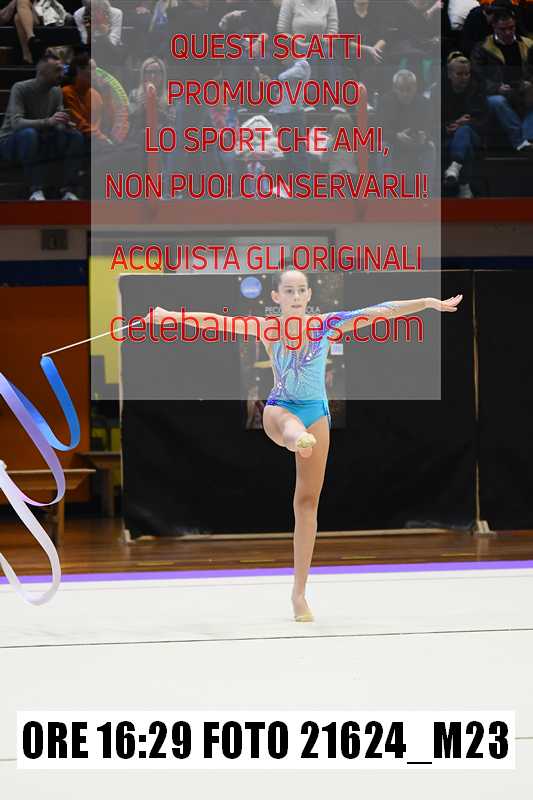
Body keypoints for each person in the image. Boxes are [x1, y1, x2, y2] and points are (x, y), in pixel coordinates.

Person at [145, 269, 463, 622]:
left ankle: (299, 593)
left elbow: (380, 311)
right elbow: (216, 323)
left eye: (301, 290)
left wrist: (427, 302)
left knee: (307, 503)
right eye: (288, 290)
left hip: (315, 415)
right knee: (291, 428)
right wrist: (169, 316)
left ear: (309, 295)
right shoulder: (268, 328)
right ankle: (297, 438)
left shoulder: (327, 325)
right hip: (280, 411)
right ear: (276, 297)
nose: (295, 296)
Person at [0, 52, 84, 200]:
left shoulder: (56, 91)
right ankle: (36, 190)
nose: (62, 74)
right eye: (57, 70)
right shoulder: (20, 88)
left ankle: (68, 190)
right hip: (11, 141)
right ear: (42, 72)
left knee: (75, 136)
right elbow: (16, 123)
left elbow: (56, 122)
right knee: (29, 134)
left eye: (62, 69)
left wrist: (65, 124)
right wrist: (49, 122)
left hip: (41, 139)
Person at [471, 5, 533, 151]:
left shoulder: (528, 45)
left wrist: (529, 82)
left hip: (523, 91)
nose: (508, 32)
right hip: (496, 93)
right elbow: (476, 77)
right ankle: (521, 141)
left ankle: (527, 140)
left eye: (511, 28)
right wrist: (496, 87)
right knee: (497, 101)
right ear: (494, 26)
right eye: (503, 29)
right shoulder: (482, 48)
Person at [443, 51, 488, 197]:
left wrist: (467, 123)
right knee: (465, 146)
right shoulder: (440, 91)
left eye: (467, 74)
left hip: (474, 135)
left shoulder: (477, 90)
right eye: (459, 74)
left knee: (465, 130)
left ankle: (455, 166)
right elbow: (431, 121)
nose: (464, 78)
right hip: (449, 137)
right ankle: (464, 187)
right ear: (449, 74)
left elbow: (484, 121)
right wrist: (449, 126)